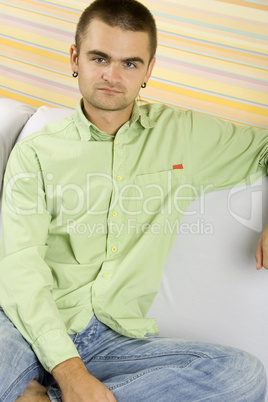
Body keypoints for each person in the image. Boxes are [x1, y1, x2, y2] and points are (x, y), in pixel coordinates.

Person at [0, 0, 267, 401]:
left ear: (149, 69)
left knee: (244, 376)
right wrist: (69, 371)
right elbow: (20, 269)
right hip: (21, 327)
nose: (112, 75)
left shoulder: (183, 136)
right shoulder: (37, 153)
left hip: (111, 343)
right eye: (99, 58)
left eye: (129, 63)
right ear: (75, 58)